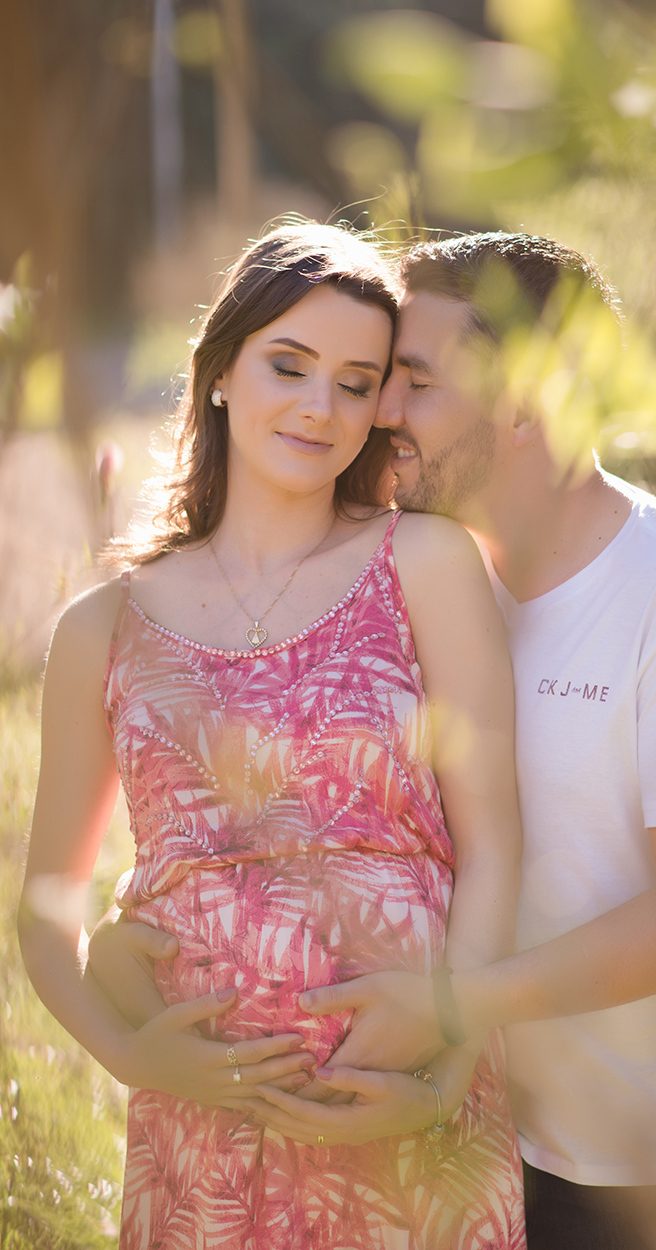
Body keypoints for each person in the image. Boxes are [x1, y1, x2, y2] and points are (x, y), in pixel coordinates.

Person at [232, 233, 656, 1250]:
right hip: (478, 1151)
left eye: (416, 380)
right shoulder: (427, 584)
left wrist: (450, 1003)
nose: (382, 411)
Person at [17, 223, 527, 1249]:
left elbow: (495, 846)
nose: (317, 406)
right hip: (203, 1141)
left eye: (355, 381)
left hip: (405, 1115)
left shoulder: (423, 562)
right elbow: (44, 911)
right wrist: (133, 1055)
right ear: (216, 372)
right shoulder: (102, 625)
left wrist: (443, 1061)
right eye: (287, 365)